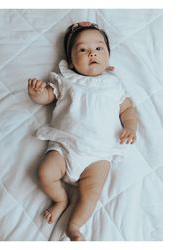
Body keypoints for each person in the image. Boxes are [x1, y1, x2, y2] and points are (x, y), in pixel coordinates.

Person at [28, 22, 137, 241]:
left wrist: (130, 127)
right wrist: (37, 93)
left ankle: (74, 227)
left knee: (92, 193)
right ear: (70, 60)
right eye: (82, 49)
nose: (92, 53)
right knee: (45, 173)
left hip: (97, 156)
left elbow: (127, 108)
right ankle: (60, 200)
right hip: (64, 147)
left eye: (99, 48)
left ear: (107, 55)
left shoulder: (113, 84)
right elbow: (47, 97)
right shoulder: (66, 80)